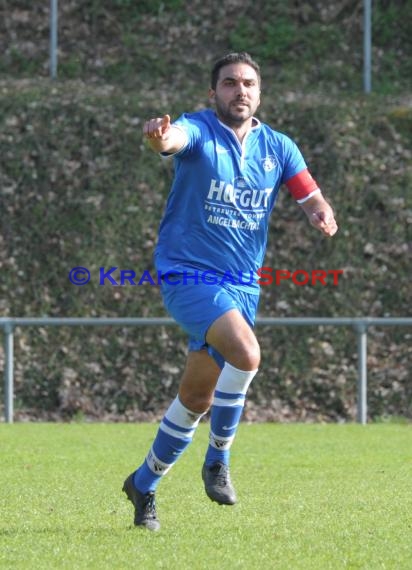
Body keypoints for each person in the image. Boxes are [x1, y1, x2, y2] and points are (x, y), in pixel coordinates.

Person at [122, 52, 338, 531]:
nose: (239, 90)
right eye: (228, 83)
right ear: (213, 92)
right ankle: (218, 459)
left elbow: (308, 191)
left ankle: (143, 483)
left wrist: (317, 210)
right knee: (247, 353)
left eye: (247, 84)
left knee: (197, 398)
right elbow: (173, 139)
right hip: (188, 275)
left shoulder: (279, 147)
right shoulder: (198, 130)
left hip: (243, 286)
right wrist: (161, 136)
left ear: (259, 93)